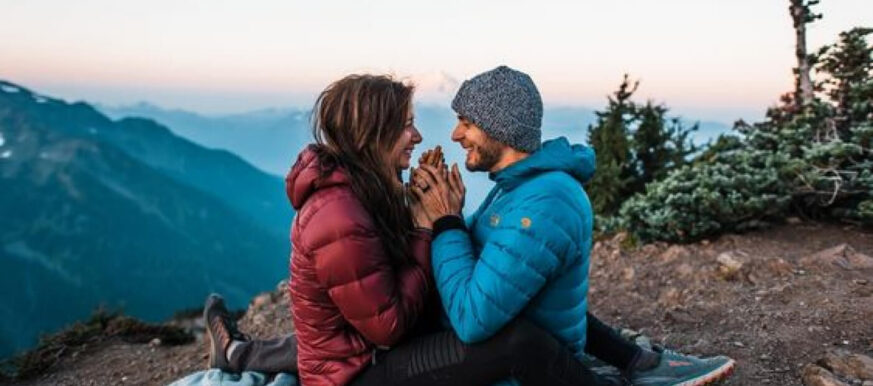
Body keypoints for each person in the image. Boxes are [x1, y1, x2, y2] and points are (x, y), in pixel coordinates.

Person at [204, 68, 735, 385]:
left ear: (500, 128)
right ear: (373, 135)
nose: (435, 135)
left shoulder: (366, 188)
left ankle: (636, 361)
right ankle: (634, 367)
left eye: (465, 121)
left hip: (360, 351)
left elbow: (401, 291)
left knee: (514, 305)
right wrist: (433, 225)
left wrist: (437, 221)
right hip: (361, 372)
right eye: (406, 125)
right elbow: (389, 325)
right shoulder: (340, 213)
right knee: (516, 338)